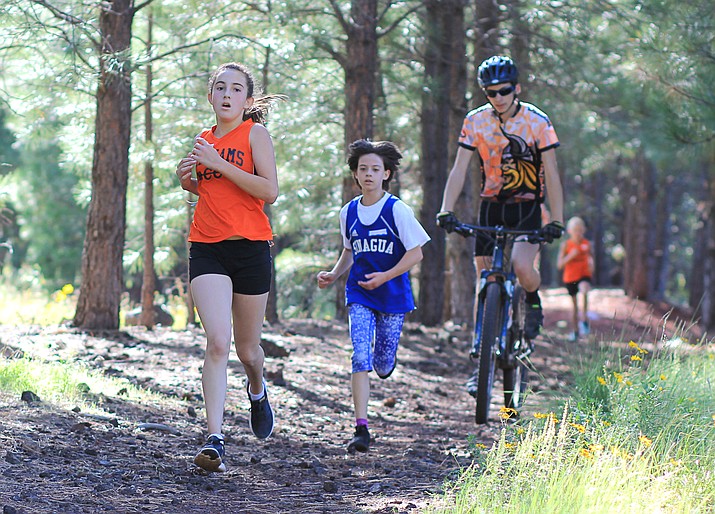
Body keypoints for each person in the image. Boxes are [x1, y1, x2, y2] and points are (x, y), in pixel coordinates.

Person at [175, 62, 282, 473]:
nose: (226, 94)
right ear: (210, 96)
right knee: (218, 341)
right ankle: (214, 439)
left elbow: (268, 190)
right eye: (219, 87)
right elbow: (209, 189)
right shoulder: (203, 139)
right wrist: (191, 180)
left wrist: (218, 163)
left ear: (247, 101)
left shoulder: (255, 135)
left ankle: (256, 387)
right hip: (207, 248)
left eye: (236, 89)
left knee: (247, 350)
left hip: (251, 248)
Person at [436, 55, 564, 395]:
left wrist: (558, 219)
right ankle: (481, 355)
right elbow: (459, 168)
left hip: (527, 208)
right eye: (491, 92)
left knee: (522, 266)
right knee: (486, 278)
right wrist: (446, 209)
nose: (499, 97)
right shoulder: (475, 121)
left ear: (517, 88)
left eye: (505, 90)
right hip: (491, 207)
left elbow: (551, 173)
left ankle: (533, 299)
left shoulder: (537, 121)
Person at [317, 140, 430, 453]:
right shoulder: (348, 212)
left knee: (381, 363)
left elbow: (416, 253)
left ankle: (386, 362)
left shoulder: (396, 210)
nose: (368, 174)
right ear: (355, 174)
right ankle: (361, 428)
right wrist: (334, 274)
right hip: (360, 295)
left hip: (392, 294)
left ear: (386, 174)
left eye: (375, 169)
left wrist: (385, 276)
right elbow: (349, 251)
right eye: (362, 168)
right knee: (359, 356)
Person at [557, 216, 594, 341]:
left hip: (584, 274)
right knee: (574, 306)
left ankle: (584, 321)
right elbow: (560, 264)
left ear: (583, 230)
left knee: (584, 290)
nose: (578, 233)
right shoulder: (566, 245)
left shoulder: (586, 244)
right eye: (575, 230)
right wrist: (570, 256)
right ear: (570, 231)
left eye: (580, 230)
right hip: (570, 277)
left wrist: (591, 264)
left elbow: (590, 259)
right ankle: (575, 331)